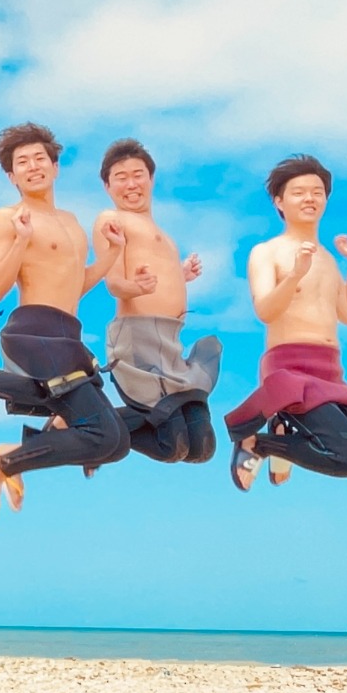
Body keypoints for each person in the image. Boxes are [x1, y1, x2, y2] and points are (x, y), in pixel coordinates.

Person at [0, 124, 153, 520]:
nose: (33, 167)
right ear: (12, 176)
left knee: (114, 444)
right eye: (22, 163)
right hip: (33, 331)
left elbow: (71, 285)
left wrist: (111, 255)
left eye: (39, 159)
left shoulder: (70, 221)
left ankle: (10, 458)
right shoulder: (8, 217)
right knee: (101, 432)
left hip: (67, 334)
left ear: (54, 167)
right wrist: (19, 240)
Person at [224, 155, 347, 492]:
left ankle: (284, 430)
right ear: (279, 201)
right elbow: (266, 310)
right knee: (346, 458)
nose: (309, 199)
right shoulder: (267, 251)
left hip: (331, 371)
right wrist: (295, 275)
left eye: (317, 192)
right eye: (299, 192)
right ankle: (255, 442)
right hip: (289, 369)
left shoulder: (329, 259)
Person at [94, 138, 220, 465]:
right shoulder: (112, 219)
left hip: (170, 339)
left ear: (151, 179)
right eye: (120, 177)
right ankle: (84, 425)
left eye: (138, 174)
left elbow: (158, 278)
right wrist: (134, 287)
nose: (131, 183)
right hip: (138, 336)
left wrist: (179, 276)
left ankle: (89, 427)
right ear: (107, 186)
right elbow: (114, 283)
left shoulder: (164, 234)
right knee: (171, 444)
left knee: (200, 448)